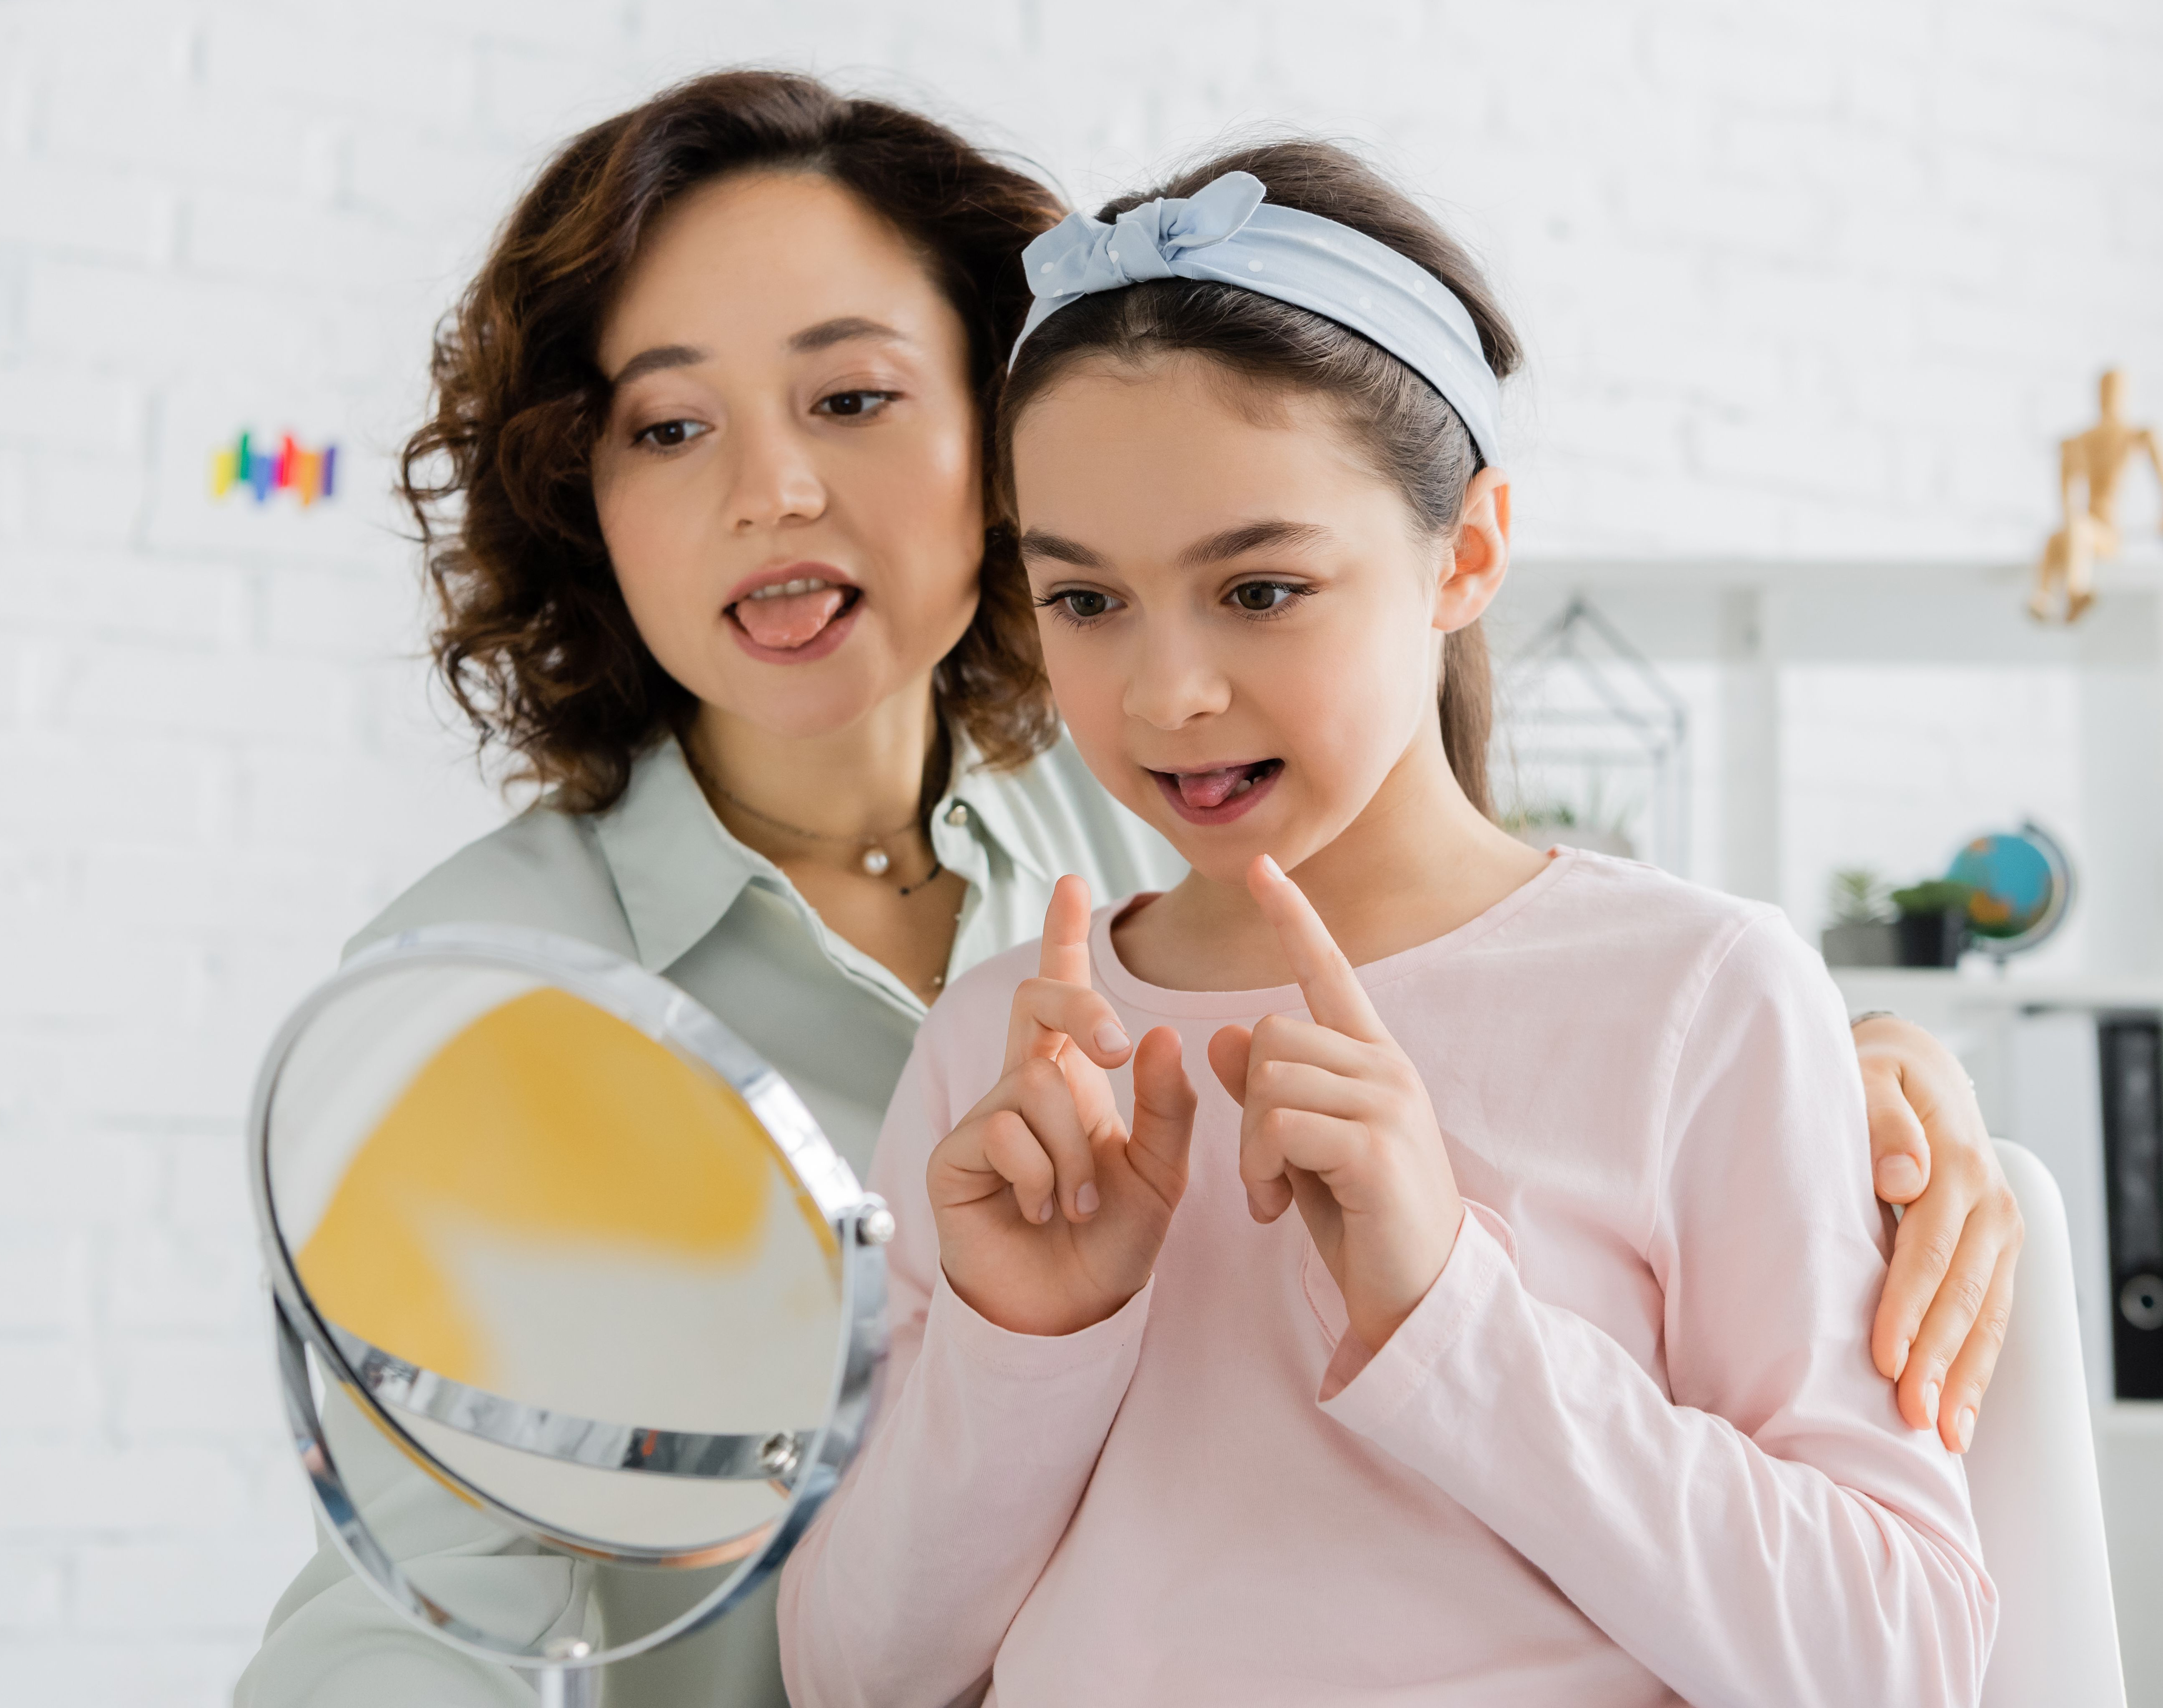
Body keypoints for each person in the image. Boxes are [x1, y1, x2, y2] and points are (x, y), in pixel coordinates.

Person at [238, 73, 2017, 1708]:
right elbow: (478, 1598)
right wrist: (1026, 1335)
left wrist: (1843, 1074)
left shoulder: (1130, 851)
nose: (773, 491)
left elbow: (1562, 992)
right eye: (666, 426)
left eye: (851, 398)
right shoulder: (529, 986)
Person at [776, 145, 1994, 1706]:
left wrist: (1447, 1315)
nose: (1165, 694)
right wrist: (1024, 1347)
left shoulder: (1698, 995)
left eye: (1261, 589)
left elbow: (1900, 1662)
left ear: (1465, 553)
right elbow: (850, 1682)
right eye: (1085, 601)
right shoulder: (1001, 1048)